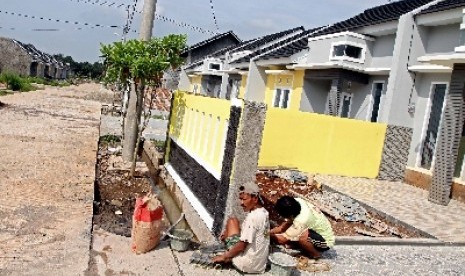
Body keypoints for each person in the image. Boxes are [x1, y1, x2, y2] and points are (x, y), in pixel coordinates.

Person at [212, 182, 270, 274]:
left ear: (255, 199)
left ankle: (225, 248)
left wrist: (224, 256)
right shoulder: (264, 212)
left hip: (246, 264)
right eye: (240, 199)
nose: (241, 203)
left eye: (244, 199)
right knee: (233, 221)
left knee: (231, 222)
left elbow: (241, 246)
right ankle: (225, 241)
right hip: (259, 265)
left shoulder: (253, 218)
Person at [270, 195, 335, 259]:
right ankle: (302, 245)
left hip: (326, 241)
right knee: (295, 232)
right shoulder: (297, 202)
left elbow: (282, 240)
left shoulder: (301, 220)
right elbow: (283, 227)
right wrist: (269, 232)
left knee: (303, 237)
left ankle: (315, 255)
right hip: (314, 230)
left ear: (291, 215)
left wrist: (266, 235)